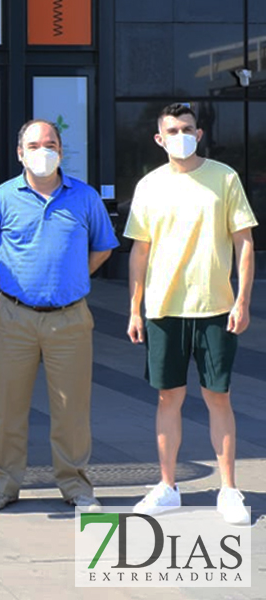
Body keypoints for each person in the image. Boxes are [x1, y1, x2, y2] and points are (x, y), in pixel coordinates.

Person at [0, 120, 118, 512]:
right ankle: (3, 484)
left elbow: (103, 247)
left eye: (50, 144)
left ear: (62, 151)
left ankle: (76, 487)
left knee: (72, 409)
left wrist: (74, 276)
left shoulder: (84, 198)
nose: (42, 151)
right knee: (7, 406)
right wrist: (9, 279)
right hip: (14, 317)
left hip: (70, 319)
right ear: (20, 153)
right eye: (33, 145)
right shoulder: (0, 199)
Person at [125, 103, 257, 525]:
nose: (180, 135)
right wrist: (135, 309)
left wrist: (243, 300)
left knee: (219, 397)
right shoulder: (149, 186)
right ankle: (167, 486)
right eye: (172, 130)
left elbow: (244, 242)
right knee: (169, 397)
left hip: (215, 307)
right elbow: (139, 251)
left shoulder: (225, 178)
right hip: (164, 308)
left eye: (187, 128)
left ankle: (230, 489)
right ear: (159, 139)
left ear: (199, 134)